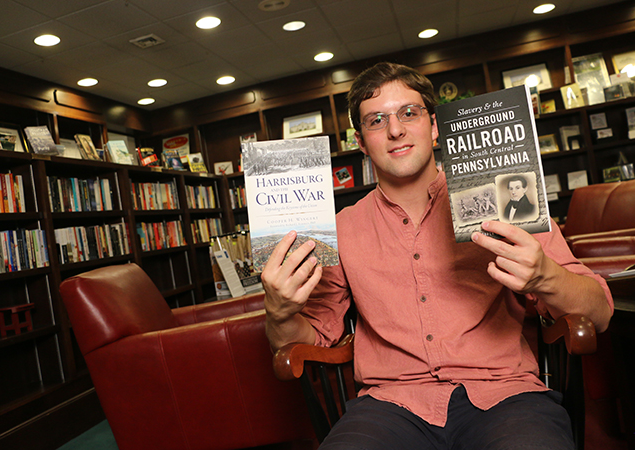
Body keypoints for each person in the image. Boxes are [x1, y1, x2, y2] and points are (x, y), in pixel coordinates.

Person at [262, 62, 613, 450]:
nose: (395, 130)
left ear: (433, 127)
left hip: (505, 396)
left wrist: (545, 276)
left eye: (409, 113)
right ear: (361, 142)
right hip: (389, 407)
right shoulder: (339, 230)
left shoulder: (501, 196)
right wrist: (279, 312)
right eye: (376, 120)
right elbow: (312, 338)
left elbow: (599, 313)